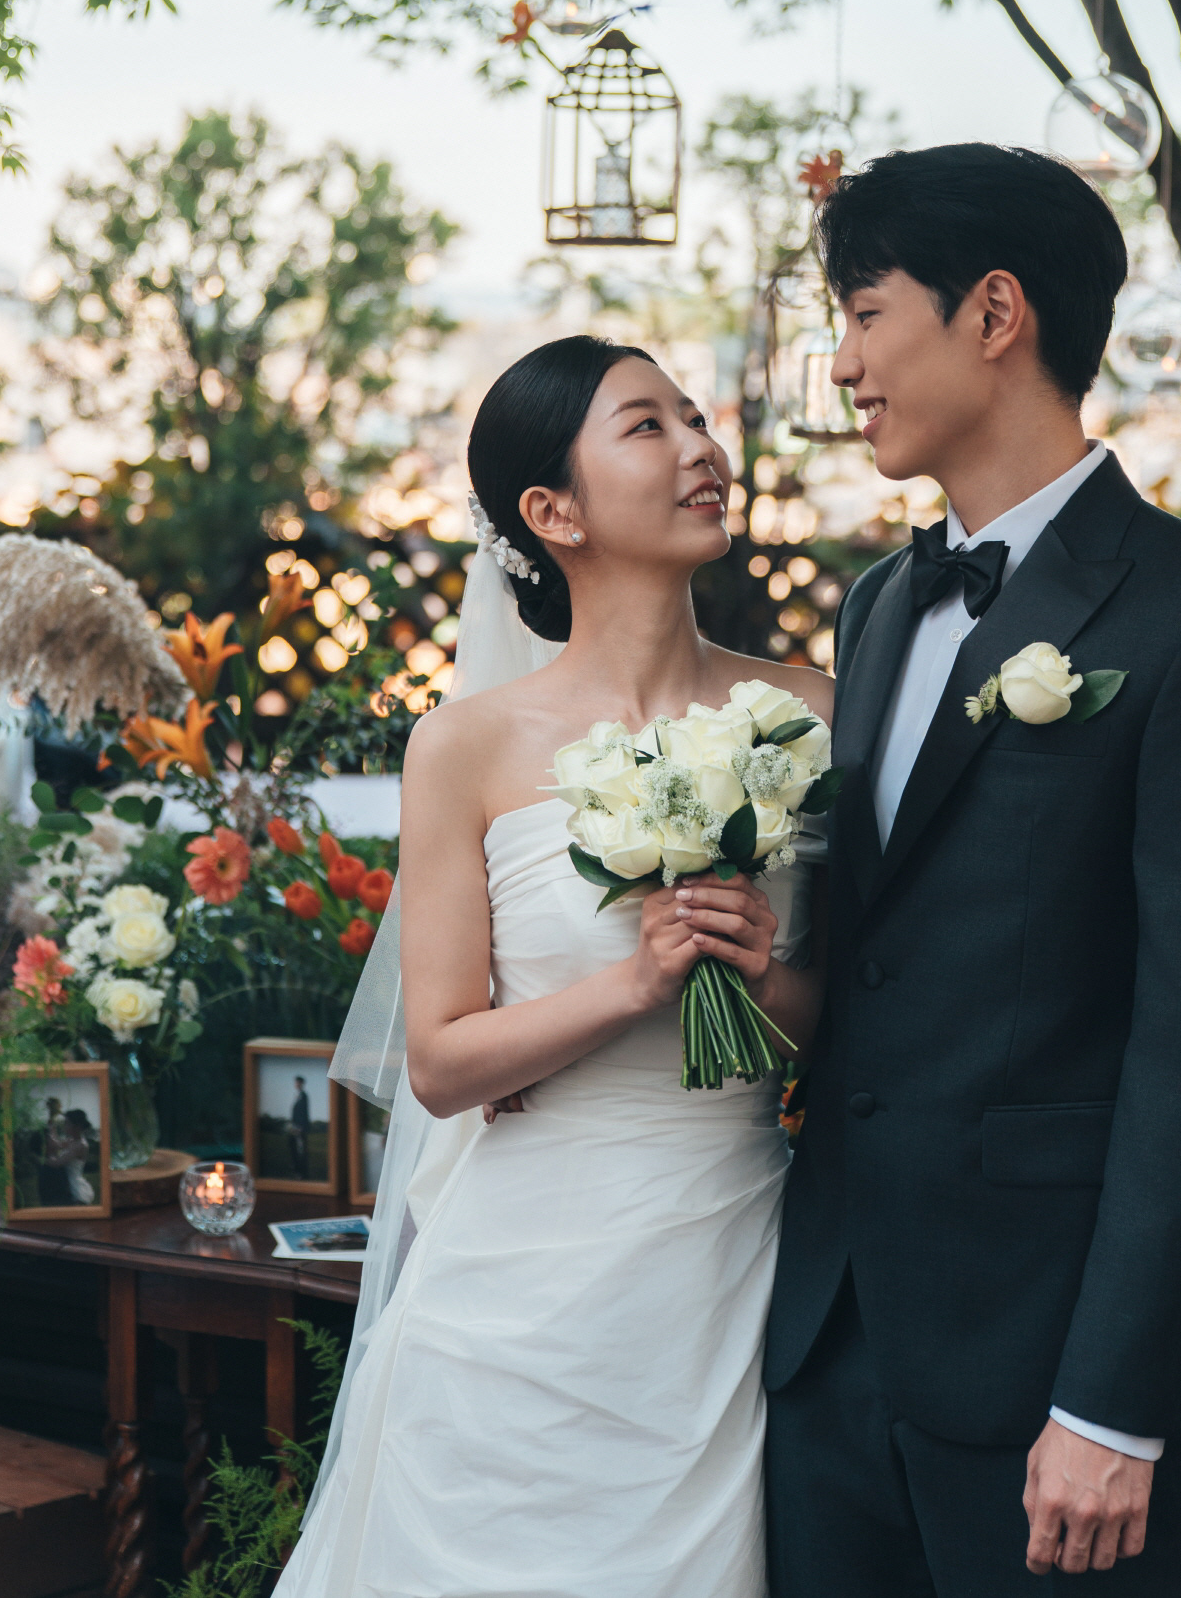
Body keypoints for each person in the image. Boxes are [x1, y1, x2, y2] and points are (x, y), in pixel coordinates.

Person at [764, 144, 1181, 1595]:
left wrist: (1112, 1404)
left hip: (1057, 1386)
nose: (844, 364)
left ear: (995, 312)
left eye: (865, 313)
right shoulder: (879, 605)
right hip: (830, 1358)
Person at [275, 336, 832, 1598]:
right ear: (552, 511)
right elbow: (440, 1062)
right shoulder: (463, 747)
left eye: (697, 417)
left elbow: (859, 1020)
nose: (702, 448)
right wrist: (631, 984)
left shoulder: (814, 713)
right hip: (516, 1296)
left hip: (730, 1268)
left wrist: (757, 975)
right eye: (648, 425)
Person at [287, 1076, 310, 1178]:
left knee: (300, 1150)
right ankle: (295, 1168)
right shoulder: (297, 1096)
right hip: (295, 1126)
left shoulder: (304, 1096)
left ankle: (301, 1172)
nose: (296, 1084)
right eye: (296, 1082)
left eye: (298, 1083)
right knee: (293, 1146)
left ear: (301, 1084)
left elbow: (304, 1112)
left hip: (299, 1128)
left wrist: (301, 1127)